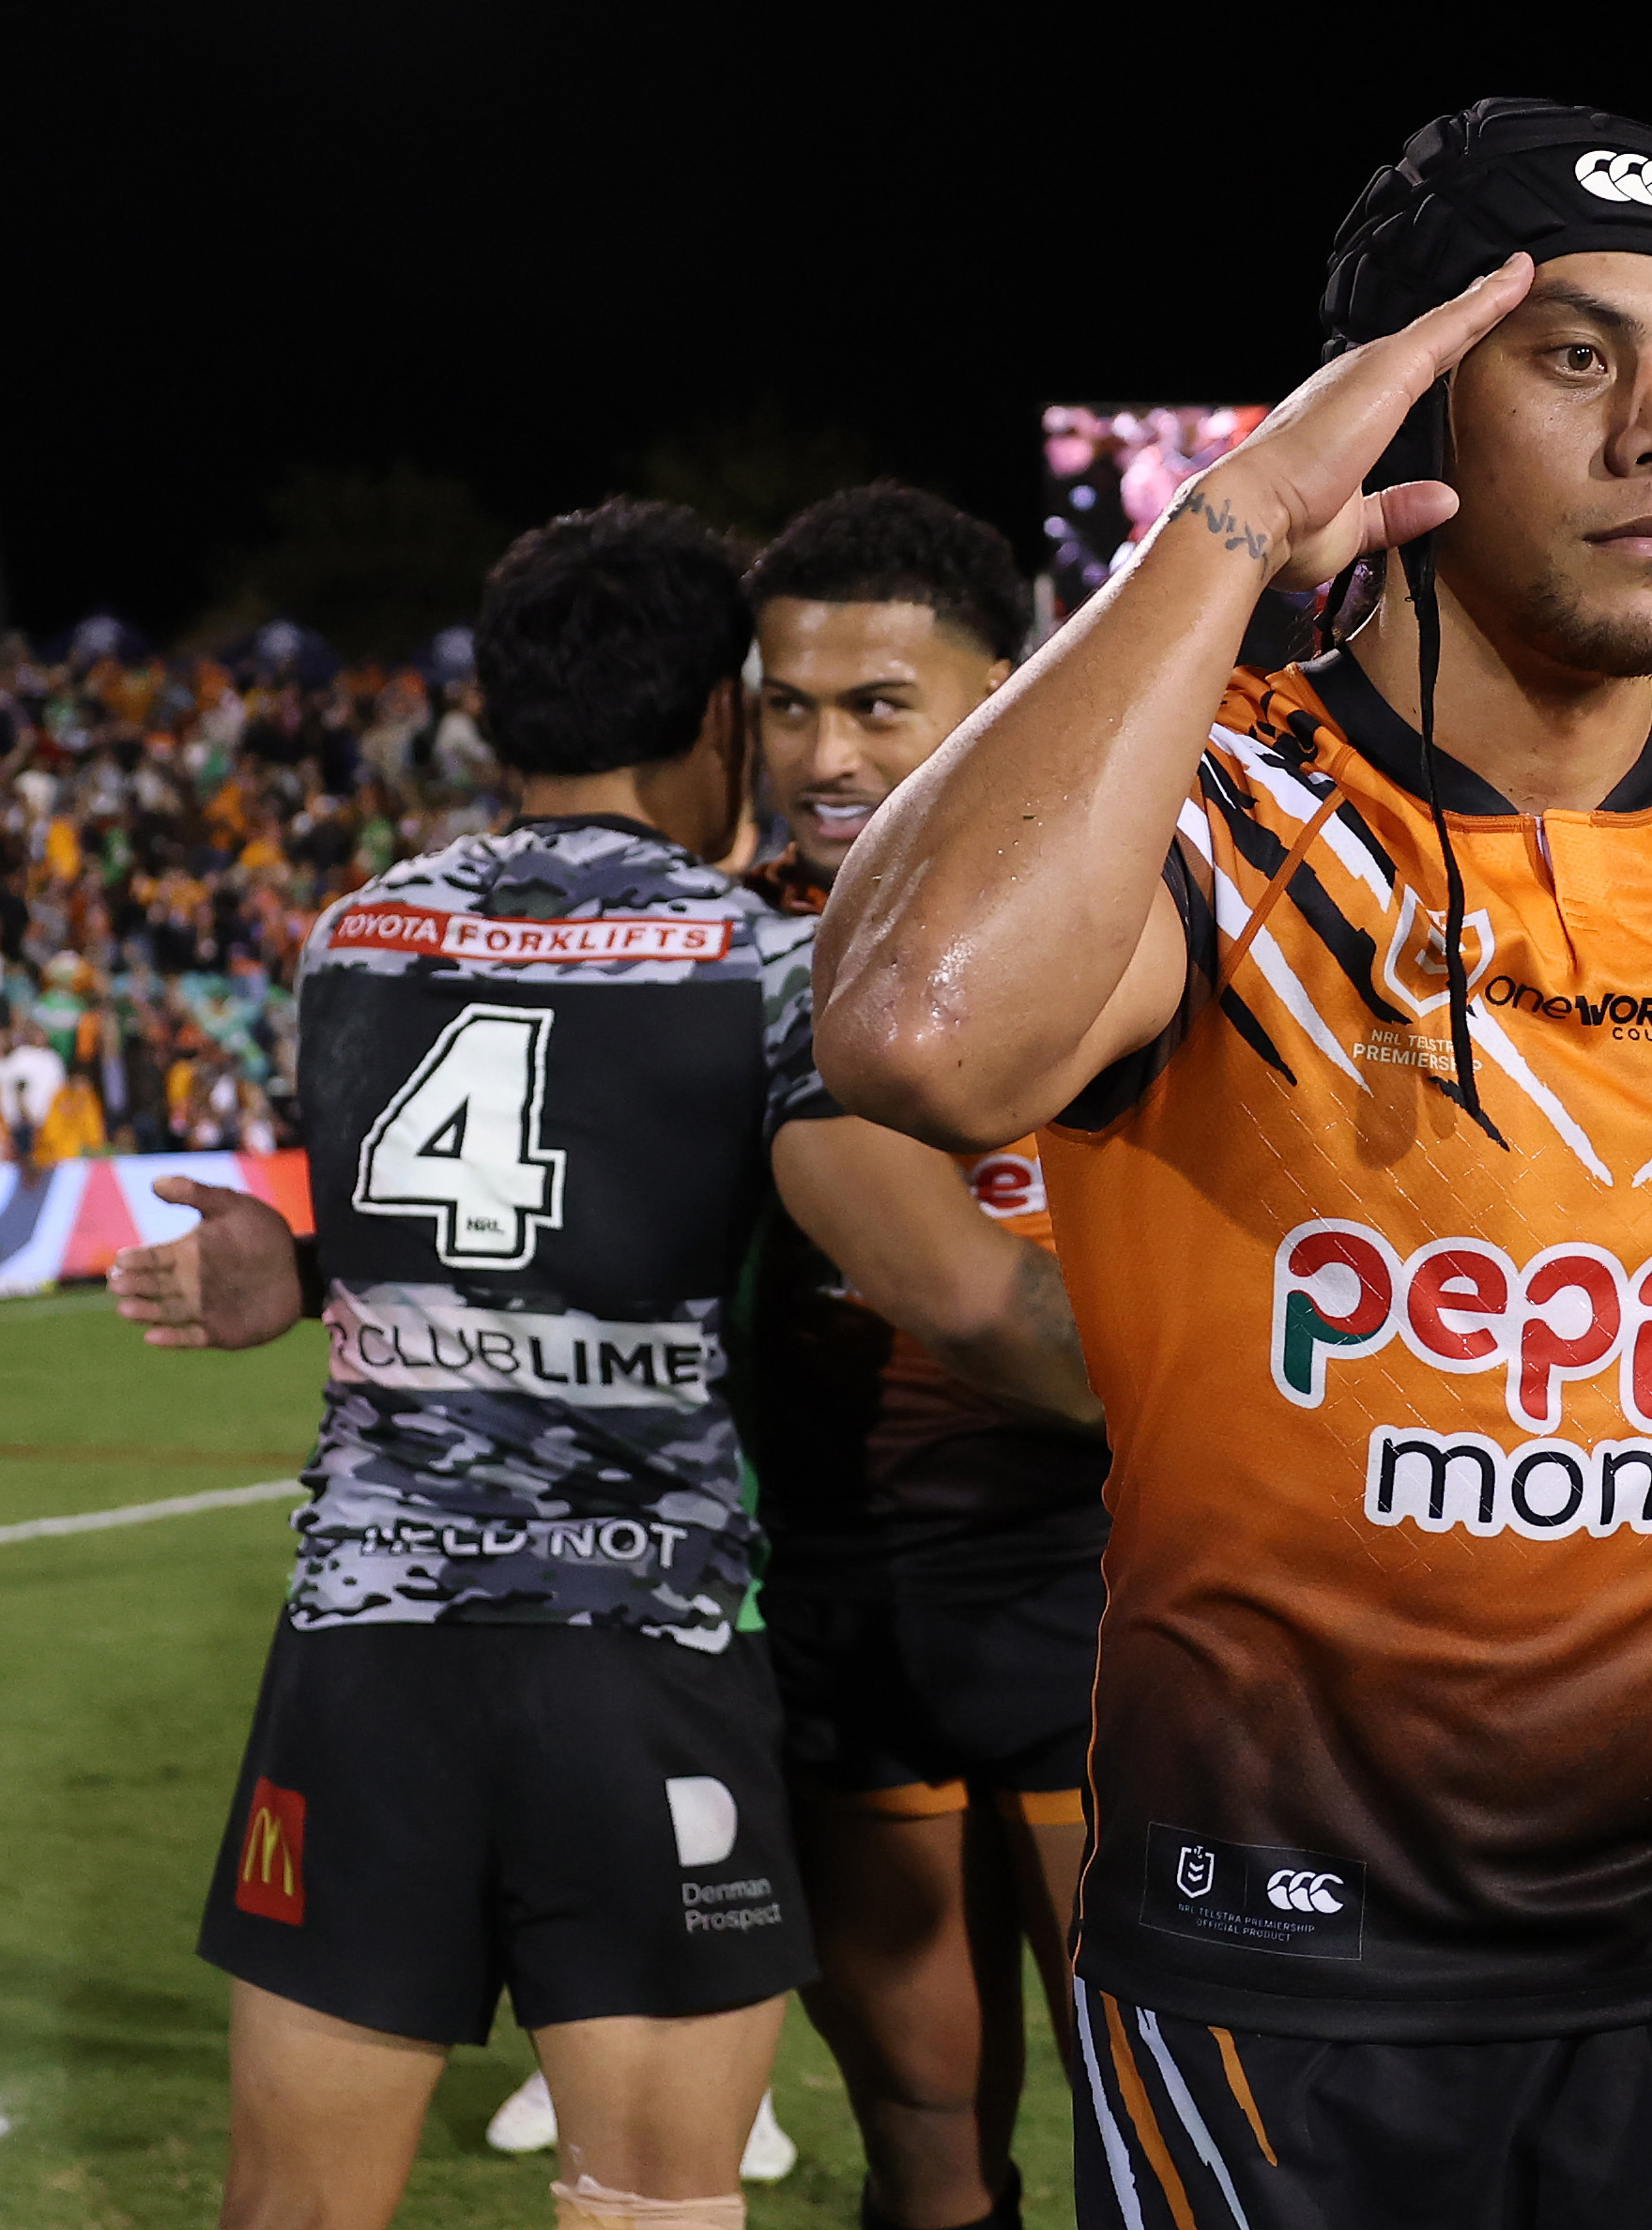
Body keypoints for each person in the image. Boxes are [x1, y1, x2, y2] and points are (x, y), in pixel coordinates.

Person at [811, 99, 1652, 2228]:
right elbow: (911, 1034)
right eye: (1575, 355)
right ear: (1399, 410)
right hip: (1293, 2008)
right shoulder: (1215, 825)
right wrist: (1236, 522)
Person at [105, 499, 1087, 2230]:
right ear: (721, 714)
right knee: (650, 2211)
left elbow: (516, 1192)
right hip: (639, 1655)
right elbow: (963, 1294)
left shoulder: (353, 935)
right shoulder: (763, 963)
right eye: (777, 708)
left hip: (361, 1660)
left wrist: (306, 1263)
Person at [739, 482, 1106, 2230]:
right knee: (922, 2141)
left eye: (877, 704)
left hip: (1092, 1607)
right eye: (787, 704)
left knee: (1161, 2129)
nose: (822, 750)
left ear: (998, 693)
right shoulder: (723, 949)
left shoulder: (1131, 917)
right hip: (838, 1606)